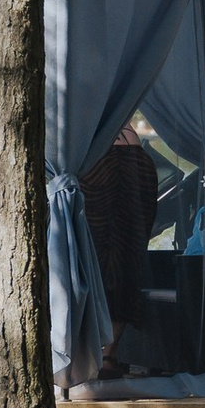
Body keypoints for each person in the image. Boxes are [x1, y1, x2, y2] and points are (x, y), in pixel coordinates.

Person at [79, 123, 160, 374]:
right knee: (126, 260)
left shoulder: (87, 103)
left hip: (101, 163)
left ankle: (90, 354)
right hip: (138, 162)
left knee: (93, 262)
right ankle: (108, 355)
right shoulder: (117, 105)